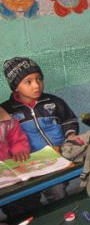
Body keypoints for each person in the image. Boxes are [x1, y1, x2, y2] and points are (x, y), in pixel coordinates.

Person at [2, 57, 80, 214]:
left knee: (58, 191)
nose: (37, 85)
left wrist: (70, 135)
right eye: (28, 82)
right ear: (15, 87)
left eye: (39, 79)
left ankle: (65, 213)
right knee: (31, 196)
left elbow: (69, 120)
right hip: (33, 163)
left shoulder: (54, 101)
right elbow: (11, 138)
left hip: (61, 153)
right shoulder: (8, 111)